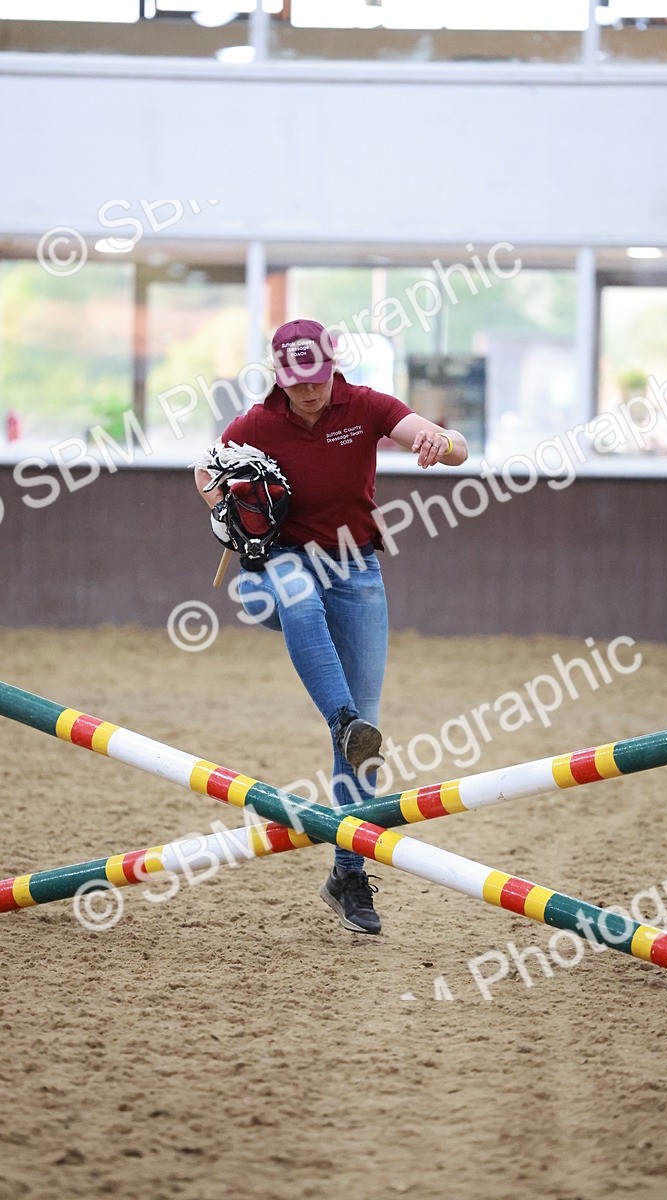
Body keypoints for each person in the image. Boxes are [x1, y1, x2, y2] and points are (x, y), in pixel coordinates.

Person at [194, 318, 468, 934]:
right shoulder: (257, 425)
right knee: (299, 596)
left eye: (316, 378)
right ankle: (341, 720)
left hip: (357, 572)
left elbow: (452, 444)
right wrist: (225, 514)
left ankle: (347, 873)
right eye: (296, 381)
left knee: (365, 744)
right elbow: (204, 471)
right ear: (279, 376)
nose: (309, 392)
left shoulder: (366, 406)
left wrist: (438, 443)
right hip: (273, 576)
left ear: (332, 366)